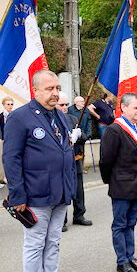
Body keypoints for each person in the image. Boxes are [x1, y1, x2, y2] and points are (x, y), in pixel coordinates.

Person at [3, 70, 76, 272]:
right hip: (35, 195)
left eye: (57, 88)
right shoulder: (20, 117)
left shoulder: (61, 116)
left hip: (60, 193)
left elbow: (64, 150)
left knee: (53, 242)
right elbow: (11, 159)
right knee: (35, 244)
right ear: (36, 90)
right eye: (49, 89)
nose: (55, 93)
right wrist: (17, 195)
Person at [100, 93, 137, 272]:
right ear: (124, 107)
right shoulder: (114, 130)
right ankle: (122, 261)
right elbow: (106, 161)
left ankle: (130, 256)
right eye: (136, 107)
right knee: (120, 225)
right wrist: (111, 182)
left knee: (131, 224)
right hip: (121, 186)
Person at [56, 93, 92, 231]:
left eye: (66, 105)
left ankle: (79, 215)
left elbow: (82, 137)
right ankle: (62, 220)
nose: (65, 107)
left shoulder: (72, 118)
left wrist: (79, 135)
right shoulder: (53, 120)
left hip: (75, 158)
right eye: (62, 105)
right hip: (62, 161)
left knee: (79, 189)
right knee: (63, 190)